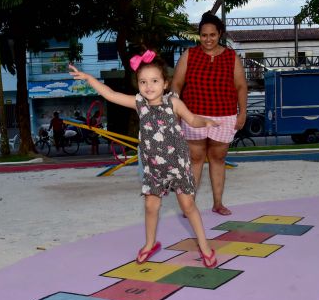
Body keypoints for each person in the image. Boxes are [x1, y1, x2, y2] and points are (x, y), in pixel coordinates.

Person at [68, 51, 220, 267]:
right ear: (138, 84)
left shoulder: (173, 103)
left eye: (155, 81)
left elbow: (192, 119)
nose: (149, 86)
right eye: (143, 82)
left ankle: (204, 246)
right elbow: (110, 94)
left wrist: (205, 122)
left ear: (165, 83)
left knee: (188, 206)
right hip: (154, 167)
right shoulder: (139, 104)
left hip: (177, 164)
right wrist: (89, 79)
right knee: (150, 207)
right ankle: (150, 244)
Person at [171, 11, 248, 216]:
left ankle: (218, 203)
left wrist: (243, 113)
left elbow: (241, 86)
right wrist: (177, 110)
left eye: (212, 35)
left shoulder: (231, 56)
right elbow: (177, 84)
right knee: (195, 159)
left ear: (219, 34)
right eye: (204, 35)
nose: (208, 39)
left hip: (225, 115)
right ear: (199, 36)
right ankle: (190, 206)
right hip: (194, 115)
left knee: (218, 158)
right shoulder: (189, 55)